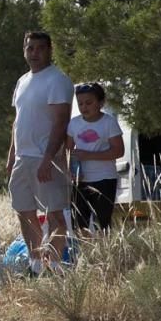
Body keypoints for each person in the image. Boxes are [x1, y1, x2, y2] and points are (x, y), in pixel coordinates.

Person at [7, 31, 73, 275]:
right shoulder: (23, 80)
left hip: (46, 158)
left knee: (55, 214)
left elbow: (60, 122)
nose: (34, 53)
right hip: (23, 158)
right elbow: (18, 122)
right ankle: (36, 265)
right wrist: (11, 155)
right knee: (25, 212)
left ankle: (54, 265)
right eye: (30, 48)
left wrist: (48, 159)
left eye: (40, 48)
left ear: (49, 50)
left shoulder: (57, 80)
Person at [66, 82, 124, 237]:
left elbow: (119, 151)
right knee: (79, 221)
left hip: (105, 178)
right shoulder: (74, 123)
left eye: (89, 103)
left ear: (101, 103)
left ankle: (105, 253)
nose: (84, 107)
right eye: (80, 104)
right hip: (80, 181)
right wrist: (71, 170)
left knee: (102, 222)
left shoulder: (109, 122)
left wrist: (89, 155)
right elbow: (68, 151)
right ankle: (86, 254)